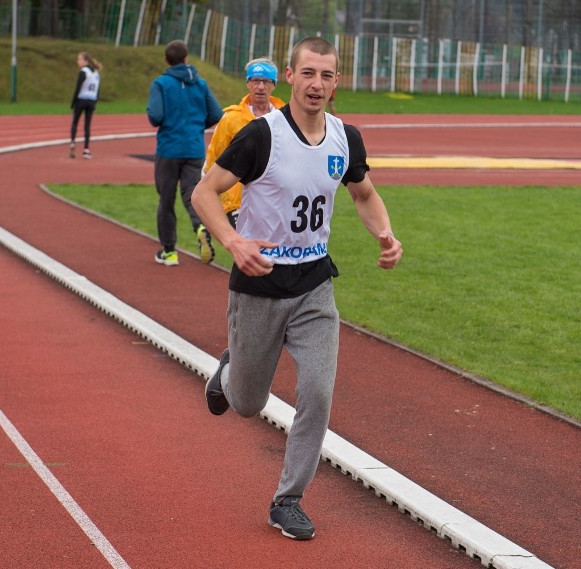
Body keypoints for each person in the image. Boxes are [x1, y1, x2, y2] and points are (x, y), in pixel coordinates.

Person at [192, 36, 403, 540]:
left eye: (327, 75)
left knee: (318, 392)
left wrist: (386, 234)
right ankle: (228, 374)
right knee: (247, 403)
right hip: (258, 287)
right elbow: (205, 192)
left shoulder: (345, 138)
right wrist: (233, 240)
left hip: (314, 287)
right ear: (291, 76)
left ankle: (288, 499)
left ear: (336, 82)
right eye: (308, 73)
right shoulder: (262, 136)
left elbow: (364, 193)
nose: (317, 84)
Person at [147, 39, 223, 266]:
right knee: (192, 195)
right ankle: (200, 227)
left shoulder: (160, 84)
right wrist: (198, 125)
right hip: (194, 147)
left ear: (166, 60)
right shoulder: (200, 83)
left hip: (169, 149)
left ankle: (169, 251)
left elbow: (155, 117)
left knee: (166, 199)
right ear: (186, 58)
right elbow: (217, 113)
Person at [203, 57, 285, 228]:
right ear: (248, 83)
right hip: (238, 202)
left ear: (274, 84)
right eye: (255, 81)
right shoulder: (231, 118)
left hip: (277, 200)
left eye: (266, 81)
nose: (261, 87)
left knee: (273, 252)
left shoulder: (285, 117)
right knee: (245, 251)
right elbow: (214, 158)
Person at [70, 52, 102, 159]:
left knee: (75, 122)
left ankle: (73, 142)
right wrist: (95, 103)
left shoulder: (83, 72)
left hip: (82, 99)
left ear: (85, 61)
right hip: (91, 101)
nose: (78, 62)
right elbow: (97, 91)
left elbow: (78, 87)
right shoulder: (96, 73)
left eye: (79, 59)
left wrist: (73, 103)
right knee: (87, 126)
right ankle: (86, 150)